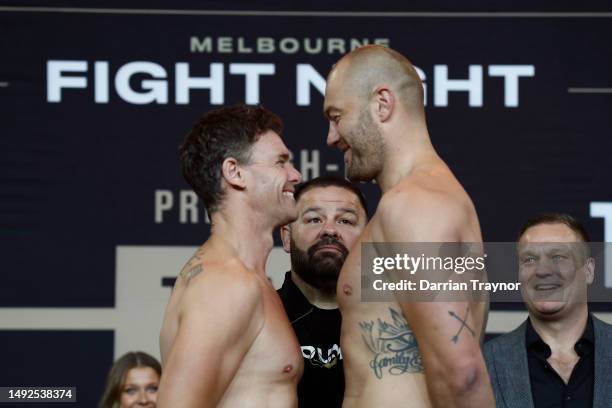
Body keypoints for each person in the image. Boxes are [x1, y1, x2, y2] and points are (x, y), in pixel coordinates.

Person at [323, 44, 494, 407]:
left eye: (336, 116)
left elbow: (462, 374)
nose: (331, 137)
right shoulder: (416, 200)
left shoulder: (416, 204)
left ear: (382, 104)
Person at [158, 104, 303, 407]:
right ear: (235, 173)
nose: (295, 174)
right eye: (281, 162)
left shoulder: (248, 279)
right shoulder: (226, 284)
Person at [484, 213, 612, 407]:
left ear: (589, 271)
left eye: (558, 257)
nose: (542, 271)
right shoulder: (486, 364)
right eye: (529, 259)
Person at [278, 176, 368, 407]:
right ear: (287, 237)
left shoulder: (395, 325)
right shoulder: (258, 319)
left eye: (345, 221)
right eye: (314, 219)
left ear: (367, 238)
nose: (329, 230)